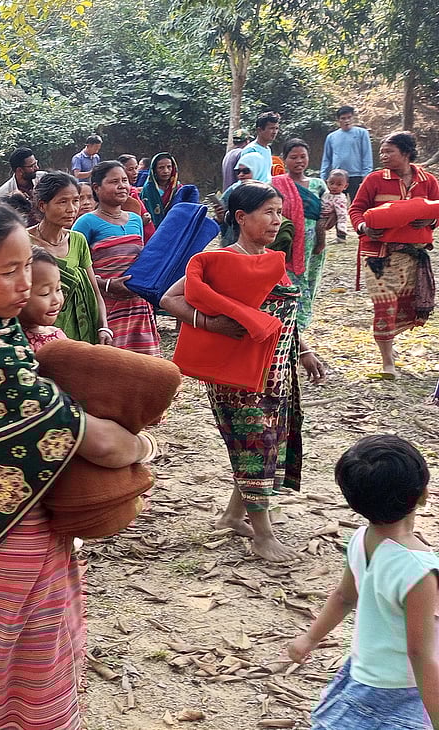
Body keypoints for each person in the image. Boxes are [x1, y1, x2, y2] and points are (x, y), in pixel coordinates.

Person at [0, 199, 153, 730]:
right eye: (8, 271)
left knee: (6, 675)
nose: (24, 284)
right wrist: (142, 448)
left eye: (26, 269)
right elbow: (100, 444)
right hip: (7, 539)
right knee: (31, 685)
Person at [161, 182, 326, 563]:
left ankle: (233, 516)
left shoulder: (272, 261)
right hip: (237, 375)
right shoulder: (219, 261)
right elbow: (170, 298)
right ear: (241, 217)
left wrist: (304, 351)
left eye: (279, 212)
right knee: (254, 443)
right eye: (268, 212)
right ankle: (263, 535)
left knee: (264, 443)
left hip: (277, 371)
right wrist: (210, 323)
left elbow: (281, 316)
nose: (277, 220)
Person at [287, 435, 439, 729]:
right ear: (423, 494)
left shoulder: (361, 538)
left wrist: (310, 638)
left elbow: (344, 596)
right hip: (402, 687)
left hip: (364, 671)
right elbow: (419, 652)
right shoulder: (420, 570)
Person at [350, 130, 439, 379]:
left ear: (406, 153)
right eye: (382, 152)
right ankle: (387, 362)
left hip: (412, 255)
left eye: (389, 151)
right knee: (385, 305)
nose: (383, 156)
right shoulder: (374, 180)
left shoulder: (428, 181)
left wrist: (430, 221)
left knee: (405, 306)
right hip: (377, 256)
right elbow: (356, 209)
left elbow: (437, 211)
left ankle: (388, 344)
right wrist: (364, 227)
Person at [74, 161, 161, 356]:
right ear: (97, 187)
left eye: (124, 180)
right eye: (114, 182)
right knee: (112, 364)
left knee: (143, 364)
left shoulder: (135, 219)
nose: (122, 186)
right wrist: (107, 285)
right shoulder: (86, 222)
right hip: (106, 310)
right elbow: (76, 270)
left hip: (138, 307)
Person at [31, 172, 110, 345]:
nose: (72, 209)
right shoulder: (24, 242)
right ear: (42, 205)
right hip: (38, 336)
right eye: (62, 202)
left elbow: (95, 292)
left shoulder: (78, 240)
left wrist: (103, 327)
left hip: (80, 333)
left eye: (75, 200)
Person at [271, 139, 329, 330]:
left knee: (310, 280)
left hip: (314, 243)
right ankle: (294, 322)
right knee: (292, 280)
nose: (299, 161)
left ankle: (300, 324)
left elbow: (329, 213)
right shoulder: (276, 184)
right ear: (284, 159)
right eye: (293, 157)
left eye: (303, 157)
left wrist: (324, 232)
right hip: (288, 242)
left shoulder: (319, 184)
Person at [20, 246, 69, 350]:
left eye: (58, 289)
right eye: (45, 293)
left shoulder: (57, 335)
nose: (56, 300)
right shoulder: (15, 344)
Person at [320, 105, 374, 197]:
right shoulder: (331, 137)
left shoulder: (362, 133)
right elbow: (327, 159)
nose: (347, 120)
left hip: (356, 176)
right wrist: (323, 177)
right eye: (343, 118)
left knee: (357, 202)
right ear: (338, 120)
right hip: (337, 176)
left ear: (353, 118)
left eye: (349, 117)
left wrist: (366, 175)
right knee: (336, 202)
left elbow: (367, 155)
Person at [139, 152, 200, 228]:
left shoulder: (178, 188)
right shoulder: (148, 190)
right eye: (161, 168)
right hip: (153, 230)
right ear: (154, 170)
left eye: (169, 167)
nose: (166, 171)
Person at [119, 154, 156, 238]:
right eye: (130, 169)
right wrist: (141, 222)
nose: (135, 172)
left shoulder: (133, 191)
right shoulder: (121, 195)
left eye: (136, 168)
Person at [239, 111, 281, 183]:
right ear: (259, 130)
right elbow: (246, 178)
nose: (274, 132)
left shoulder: (267, 149)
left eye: (276, 128)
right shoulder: (251, 150)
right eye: (271, 128)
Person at [320, 170, 350, 243]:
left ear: (345, 186)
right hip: (321, 214)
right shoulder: (325, 193)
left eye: (339, 185)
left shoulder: (340, 198)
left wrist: (341, 228)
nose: (334, 187)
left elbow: (342, 214)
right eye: (331, 183)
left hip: (331, 217)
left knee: (320, 228)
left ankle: (341, 237)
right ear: (327, 182)